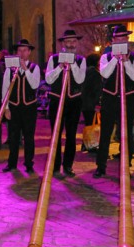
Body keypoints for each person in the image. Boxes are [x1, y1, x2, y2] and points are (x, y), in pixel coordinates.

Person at [93, 25, 134, 178]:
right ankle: (101, 166)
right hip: (109, 98)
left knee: (126, 134)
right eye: (118, 38)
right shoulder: (105, 57)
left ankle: (125, 165)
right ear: (113, 40)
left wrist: (126, 61)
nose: (121, 40)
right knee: (106, 133)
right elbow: (104, 74)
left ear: (127, 40)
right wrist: (115, 58)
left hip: (128, 98)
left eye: (124, 38)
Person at [45, 30, 86, 177]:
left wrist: (72, 64)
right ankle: (55, 166)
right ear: (63, 43)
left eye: (73, 41)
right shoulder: (54, 59)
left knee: (71, 135)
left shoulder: (81, 60)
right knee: (55, 135)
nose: (71, 44)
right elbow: (49, 79)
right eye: (68, 41)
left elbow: (80, 79)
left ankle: (68, 165)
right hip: (56, 100)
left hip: (74, 101)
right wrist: (60, 67)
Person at [2, 39, 40, 174]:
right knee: (13, 137)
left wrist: (26, 70)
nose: (22, 53)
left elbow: (35, 85)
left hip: (29, 107)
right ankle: (11, 163)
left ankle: (29, 163)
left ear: (29, 52)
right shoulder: (10, 69)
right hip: (14, 107)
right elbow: (5, 89)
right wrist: (6, 107)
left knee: (29, 137)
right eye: (19, 50)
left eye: (25, 50)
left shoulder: (35, 68)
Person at [81, 53, 102, 152]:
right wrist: (97, 103)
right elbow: (97, 90)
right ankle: (92, 144)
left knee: (88, 124)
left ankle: (85, 144)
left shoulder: (84, 72)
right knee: (93, 125)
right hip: (92, 103)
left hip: (85, 103)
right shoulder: (96, 74)